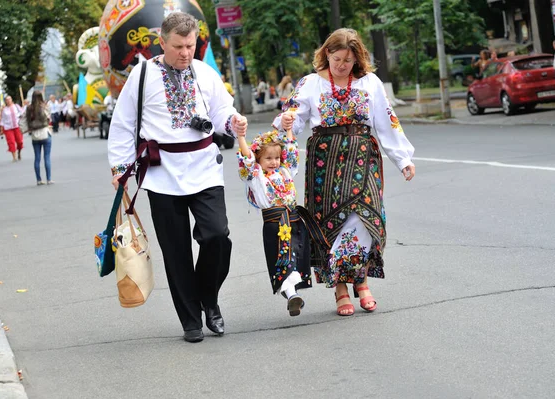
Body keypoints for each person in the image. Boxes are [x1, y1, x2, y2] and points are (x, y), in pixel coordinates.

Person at [108, 12, 248, 343]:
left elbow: (221, 112)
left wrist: (234, 123)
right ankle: (191, 321)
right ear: (162, 42)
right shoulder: (141, 75)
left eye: (190, 45)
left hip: (203, 167)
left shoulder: (205, 73)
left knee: (217, 235)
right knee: (176, 251)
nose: (185, 53)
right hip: (161, 173)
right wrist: (119, 168)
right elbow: (124, 124)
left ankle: (209, 299)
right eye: (178, 46)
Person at [274, 28, 415, 316]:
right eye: (337, 58)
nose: (341, 65)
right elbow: (293, 120)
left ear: (357, 59)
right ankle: (341, 287)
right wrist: (286, 119)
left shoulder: (370, 82)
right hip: (325, 163)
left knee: (366, 217)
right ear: (327, 53)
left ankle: (361, 281)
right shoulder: (310, 84)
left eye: (348, 61)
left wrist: (403, 159)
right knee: (330, 225)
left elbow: (388, 122)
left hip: (363, 157)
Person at [236, 128, 312, 316]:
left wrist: (288, 131)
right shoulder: (256, 177)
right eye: (268, 158)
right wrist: (241, 136)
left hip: (293, 220)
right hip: (274, 223)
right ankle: (292, 294)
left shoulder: (285, 173)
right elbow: (246, 159)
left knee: (295, 258)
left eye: (276, 158)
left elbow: (292, 156)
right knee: (282, 260)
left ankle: (293, 293)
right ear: (258, 160)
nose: (274, 162)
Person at [21, 91, 53, 185]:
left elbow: (24, 120)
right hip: (45, 133)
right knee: (46, 157)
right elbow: (49, 118)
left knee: (37, 158)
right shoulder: (44, 107)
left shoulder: (29, 108)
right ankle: (49, 179)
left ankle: (39, 180)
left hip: (35, 135)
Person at [0, 96, 24, 162]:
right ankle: (14, 157)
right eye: (7, 100)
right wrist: (1, 129)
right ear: (5, 101)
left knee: (20, 142)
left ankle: (19, 152)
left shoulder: (16, 106)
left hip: (17, 126)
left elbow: (23, 113)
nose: (8, 101)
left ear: (11, 99)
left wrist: (21, 115)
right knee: (11, 142)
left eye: (9, 99)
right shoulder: (4, 109)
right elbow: (3, 119)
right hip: (8, 128)